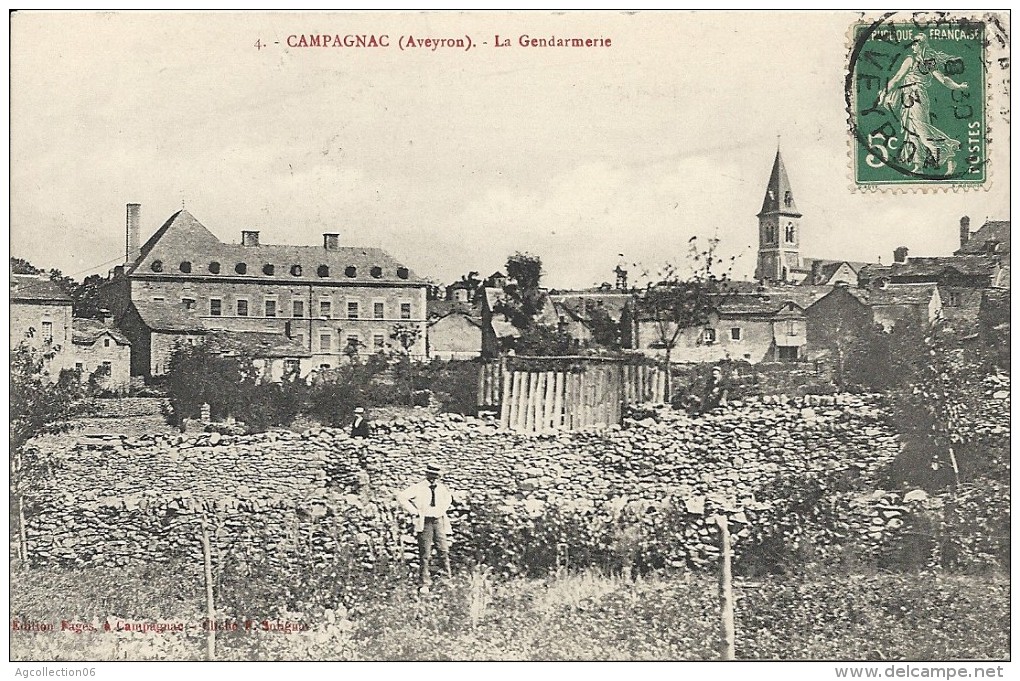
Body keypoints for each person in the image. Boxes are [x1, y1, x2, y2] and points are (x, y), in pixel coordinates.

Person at [877, 34, 969, 175]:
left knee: (922, 130)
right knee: (911, 130)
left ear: (923, 45)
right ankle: (918, 165)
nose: (913, 46)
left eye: (916, 43)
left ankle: (950, 153)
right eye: (913, 44)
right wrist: (885, 91)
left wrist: (958, 87)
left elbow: (943, 79)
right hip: (908, 97)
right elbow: (896, 79)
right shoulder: (916, 60)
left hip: (917, 96)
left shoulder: (923, 61)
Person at [396, 463, 454, 593]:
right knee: (425, 553)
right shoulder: (418, 488)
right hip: (425, 522)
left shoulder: (441, 488)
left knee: (443, 550)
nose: (433, 478)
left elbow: (448, 500)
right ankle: (424, 583)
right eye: (431, 475)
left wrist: (441, 510)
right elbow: (401, 497)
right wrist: (414, 511)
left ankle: (446, 580)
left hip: (438, 521)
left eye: (436, 475)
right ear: (426, 474)